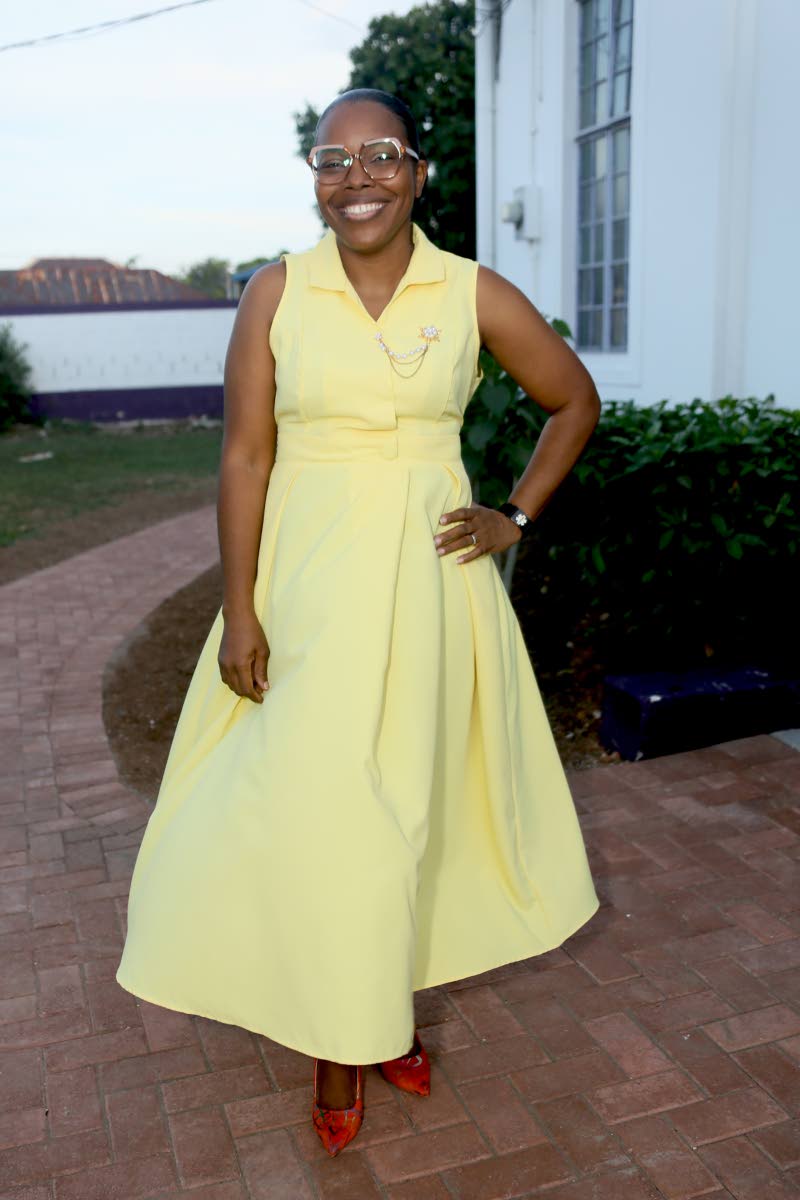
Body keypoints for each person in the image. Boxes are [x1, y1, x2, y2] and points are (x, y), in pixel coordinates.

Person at [115, 87, 602, 1158]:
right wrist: (239, 610)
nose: (357, 178)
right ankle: (342, 1043)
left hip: (433, 596)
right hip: (308, 598)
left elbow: (573, 398)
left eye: (380, 155)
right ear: (315, 183)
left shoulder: (470, 291)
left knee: (408, 815)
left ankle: (378, 1013)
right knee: (329, 816)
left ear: (418, 172)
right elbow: (246, 456)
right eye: (331, 161)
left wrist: (514, 515)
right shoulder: (276, 292)